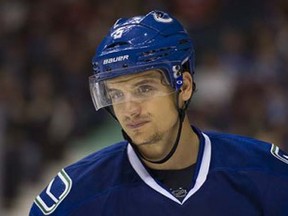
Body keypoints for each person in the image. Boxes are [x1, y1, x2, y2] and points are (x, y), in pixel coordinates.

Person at [29, 10, 288, 216]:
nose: (129, 109)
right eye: (117, 94)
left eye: (143, 88)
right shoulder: (77, 196)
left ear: (184, 87)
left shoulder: (267, 174)